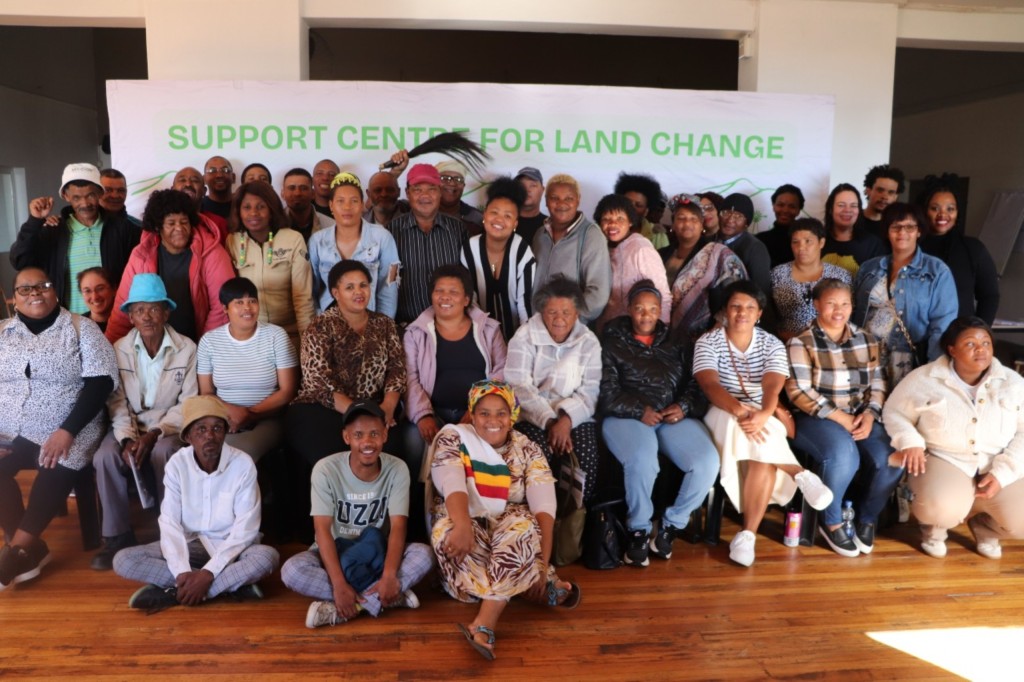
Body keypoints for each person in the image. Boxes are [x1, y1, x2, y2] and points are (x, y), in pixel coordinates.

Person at [430, 381, 580, 661]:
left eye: (501, 413)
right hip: (466, 525)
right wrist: (463, 525)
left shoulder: (528, 449)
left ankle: (484, 622)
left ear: (511, 415)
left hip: (510, 535)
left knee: (521, 527)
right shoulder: (455, 438)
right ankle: (525, 586)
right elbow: (451, 481)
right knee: (447, 532)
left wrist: (544, 564)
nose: (493, 421)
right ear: (472, 415)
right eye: (484, 413)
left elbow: (544, 508)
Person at [693, 281, 833, 567]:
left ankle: (747, 535)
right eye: (735, 307)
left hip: (762, 412)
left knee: (763, 456)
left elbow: (773, 386)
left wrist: (764, 412)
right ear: (725, 311)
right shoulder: (708, 341)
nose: (741, 313)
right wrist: (741, 411)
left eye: (749, 308)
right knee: (736, 426)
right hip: (721, 409)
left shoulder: (771, 343)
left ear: (759, 313)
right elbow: (710, 385)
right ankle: (798, 473)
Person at [0, 267, 118, 590]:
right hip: (13, 429)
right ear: (13, 298)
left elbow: (100, 384)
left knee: (57, 460)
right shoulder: (2, 333)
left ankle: (14, 552)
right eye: (25, 289)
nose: (34, 293)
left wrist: (66, 430)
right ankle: (27, 549)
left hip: (73, 426)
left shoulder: (82, 329)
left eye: (43, 286)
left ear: (55, 291)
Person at [111, 395, 279, 611]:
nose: (210, 435)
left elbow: (245, 530)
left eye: (217, 428)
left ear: (226, 432)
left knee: (267, 558)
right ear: (188, 436)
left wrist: (208, 573)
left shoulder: (243, 464)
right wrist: (181, 570)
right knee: (124, 560)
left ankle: (175, 592)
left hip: (230, 548)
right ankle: (223, 586)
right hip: (190, 546)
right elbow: (170, 522)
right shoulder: (177, 464)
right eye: (201, 429)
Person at [599, 281, 720, 566]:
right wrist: (640, 409)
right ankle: (638, 530)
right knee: (643, 459)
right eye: (639, 309)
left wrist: (684, 406)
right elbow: (606, 391)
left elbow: (695, 383)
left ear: (661, 311)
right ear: (629, 309)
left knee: (706, 463)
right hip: (625, 417)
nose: (646, 315)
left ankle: (671, 525)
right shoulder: (612, 341)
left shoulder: (677, 341)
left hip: (670, 417)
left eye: (653, 309)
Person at [281, 401, 433, 628]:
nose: (367, 442)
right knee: (291, 571)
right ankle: (386, 598)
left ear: (384, 435)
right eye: (358, 435)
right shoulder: (326, 469)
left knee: (425, 554)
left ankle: (342, 608)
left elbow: (399, 526)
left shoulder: (397, 468)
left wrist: (390, 575)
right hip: (335, 552)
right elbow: (321, 530)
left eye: (374, 434)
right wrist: (338, 583)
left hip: (377, 555)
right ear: (346, 437)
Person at [884, 317, 1024, 560]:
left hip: (996, 459)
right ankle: (934, 530)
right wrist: (910, 441)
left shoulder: (1013, 382)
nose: (980, 349)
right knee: (940, 508)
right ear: (952, 350)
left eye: (986, 342)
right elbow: (894, 412)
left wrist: (1003, 473)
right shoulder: (924, 378)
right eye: (970, 344)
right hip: (946, 458)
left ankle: (986, 528)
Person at [786, 278, 900, 557]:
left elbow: (878, 384)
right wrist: (840, 418)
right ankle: (832, 521)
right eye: (831, 303)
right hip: (816, 418)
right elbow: (798, 390)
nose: (839, 310)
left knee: (892, 459)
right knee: (844, 455)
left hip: (862, 416)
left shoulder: (868, 340)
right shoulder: (801, 342)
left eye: (845, 304)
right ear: (816, 305)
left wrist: (871, 415)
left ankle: (865, 518)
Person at [92, 274, 198, 570]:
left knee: (166, 452)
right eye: (139, 310)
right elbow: (116, 401)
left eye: (154, 309)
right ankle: (117, 537)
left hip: (168, 425)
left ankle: (172, 533)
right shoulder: (118, 349)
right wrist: (127, 439)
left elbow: (188, 402)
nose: (147, 316)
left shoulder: (187, 348)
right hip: (128, 424)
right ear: (129, 316)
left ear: (166, 312)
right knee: (105, 457)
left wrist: (154, 433)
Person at [288, 261, 406, 466]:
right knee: (332, 453)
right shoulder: (320, 326)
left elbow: (397, 368)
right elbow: (318, 383)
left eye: (363, 285)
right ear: (336, 293)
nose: (358, 292)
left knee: (393, 448)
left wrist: (387, 406)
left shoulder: (384, 324)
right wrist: (358, 413)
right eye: (349, 287)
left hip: (375, 408)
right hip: (324, 408)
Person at [402, 264, 507, 477]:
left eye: (453, 292)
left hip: (479, 413)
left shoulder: (488, 329)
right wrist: (423, 415)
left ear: (466, 299)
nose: (445, 297)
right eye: (439, 291)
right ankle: (416, 504)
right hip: (434, 413)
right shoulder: (415, 333)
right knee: (412, 441)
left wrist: (480, 410)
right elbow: (409, 378)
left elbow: (503, 371)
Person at [506, 277, 602, 503]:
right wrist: (550, 422)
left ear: (577, 314)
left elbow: (590, 392)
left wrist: (565, 422)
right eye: (552, 312)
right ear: (542, 312)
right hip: (532, 415)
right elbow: (519, 387)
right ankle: (539, 515)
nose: (559, 319)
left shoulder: (589, 342)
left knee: (586, 456)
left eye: (566, 312)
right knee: (538, 454)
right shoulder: (524, 336)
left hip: (574, 416)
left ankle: (571, 521)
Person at [105, 189, 234, 343]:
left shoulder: (212, 253)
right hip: (152, 349)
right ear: (158, 227)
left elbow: (221, 308)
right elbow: (123, 310)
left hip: (198, 345)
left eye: (184, 222)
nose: (179, 228)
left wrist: (206, 350)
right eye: (171, 223)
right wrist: (111, 351)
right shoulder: (141, 256)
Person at [10, 163, 139, 316]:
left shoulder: (123, 229)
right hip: (68, 322)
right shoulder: (53, 230)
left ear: (99, 193)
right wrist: (34, 221)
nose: (85, 203)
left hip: (113, 320)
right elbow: (20, 261)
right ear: (66, 196)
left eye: (90, 195)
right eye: (77, 197)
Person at [853, 202, 958, 386]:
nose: (902, 232)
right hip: (866, 356)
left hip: (908, 360)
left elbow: (942, 326)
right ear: (887, 231)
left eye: (910, 227)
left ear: (919, 231)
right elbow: (853, 314)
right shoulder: (869, 267)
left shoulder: (936, 271)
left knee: (902, 412)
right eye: (896, 227)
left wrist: (934, 369)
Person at [197, 278, 299, 464]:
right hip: (224, 418)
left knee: (240, 453)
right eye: (239, 302)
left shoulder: (276, 336)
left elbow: (287, 391)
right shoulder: (210, 341)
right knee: (202, 450)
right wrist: (232, 413)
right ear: (225, 308)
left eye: (252, 301)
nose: (247, 308)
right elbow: (206, 392)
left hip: (268, 419)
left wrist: (250, 413)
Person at [226, 181, 314, 348]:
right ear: (238, 211)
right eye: (246, 207)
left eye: (261, 207)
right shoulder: (233, 241)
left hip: (290, 334)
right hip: (250, 336)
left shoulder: (293, 239)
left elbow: (303, 297)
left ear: (272, 210)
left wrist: (307, 345)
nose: (253, 213)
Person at [660, 194, 746, 349]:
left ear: (702, 224)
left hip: (706, 343)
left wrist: (714, 334)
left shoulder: (718, 253)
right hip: (662, 341)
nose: (687, 223)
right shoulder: (660, 254)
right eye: (681, 218)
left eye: (694, 219)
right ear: (673, 223)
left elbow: (741, 295)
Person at [308, 172, 400, 316]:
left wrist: (382, 326)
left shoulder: (382, 237)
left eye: (354, 201)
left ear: (362, 204)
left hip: (368, 321)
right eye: (340, 201)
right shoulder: (317, 241)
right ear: (331, 206)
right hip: (328, 323)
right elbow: (311, 290)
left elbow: (388, 288)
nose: (347, 207)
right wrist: (319, 324)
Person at [389, 164, 468, 326]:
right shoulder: (391, 231)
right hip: (405, 327)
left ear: (440, 192)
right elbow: (386, 283)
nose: (425, 195)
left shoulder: (457, 229)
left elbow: (467, 280)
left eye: (431, 189)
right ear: (407, 193)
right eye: (417, 189)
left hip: (449, 327)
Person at [461, 176, 536, 341]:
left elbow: (525, 303)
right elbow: (470, 299)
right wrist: (485, 339)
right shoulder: (469, 248)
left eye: (508, 216)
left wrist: (523, 344)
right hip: (478, 336)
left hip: (517, 336)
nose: (499, 220)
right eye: (494, 212)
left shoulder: (522, 250)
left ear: (515, 223)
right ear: (484, 215)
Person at [918, 173, 1000, 324]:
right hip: (916, 336)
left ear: (957, 212)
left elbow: (989, 296)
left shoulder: (973, 248)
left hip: (959, 335)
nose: (943, 214)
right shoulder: (912, 247)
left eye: (950, 209)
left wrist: (979, 331)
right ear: (924, 211)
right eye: (935, 208)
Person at [531, 173, 611, 324]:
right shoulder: (540, 234)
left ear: (578, 200)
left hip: (571, 329)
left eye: (569, 198)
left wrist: (569, 320)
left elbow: (598, 292)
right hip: (538, 325)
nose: (561, 204)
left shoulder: (590, 234)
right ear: (546, 201)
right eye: (554, 198)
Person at [592, 193, 671, 335]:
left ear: (630, 221)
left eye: (620, 218)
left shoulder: (641, 248)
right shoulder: (602, 248)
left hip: (638, 334)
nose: (612, 224)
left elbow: (663, 295)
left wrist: (660, 335)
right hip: (607, 333)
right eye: (606, 219)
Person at [770, 218, 851, 341]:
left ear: (821, 243)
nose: (801, 247)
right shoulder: (777, 274)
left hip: (830, 345)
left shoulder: (840, 276)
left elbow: (849, 314)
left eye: (808, 241)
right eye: (795, 242)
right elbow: (768, 313)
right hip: (786, 343)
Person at [821, 182, 886, 278]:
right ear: (830, 209)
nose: (847, 210)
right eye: (841, 205)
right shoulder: (816, 240)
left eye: (853, 205)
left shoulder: (873, 244)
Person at [716, 193, 771, 299]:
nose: (730, 220)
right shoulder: (709, 241)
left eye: (738, 216)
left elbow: (761, 291)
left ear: (747, 223)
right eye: (726, 213)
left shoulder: (755, 248)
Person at [171, 165, 228, 242]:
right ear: (172, 189)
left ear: (204, 191)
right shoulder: (161, 222)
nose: (188, 184)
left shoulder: (218, 223)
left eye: (194, 180)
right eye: (182, 180)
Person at [614, 172, 669, 250]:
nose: (631, 208)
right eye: (627, 202)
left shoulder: (658, 235)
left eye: (638, 205)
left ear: (646, 211)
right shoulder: (608, 228)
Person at [280, 167, 334, 243]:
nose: (297, 193)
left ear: (312, 194)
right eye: (291, 188)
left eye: (303, 188)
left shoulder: (331, 226)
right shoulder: (273, 225)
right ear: (283, 194)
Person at [757, 184, 805, 268]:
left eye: (792, 206)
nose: (785, 210)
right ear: (773, 206)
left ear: (798, 210)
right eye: (780, 205)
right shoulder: (759, 241)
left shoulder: (805, 242)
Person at [858, 164, 905, 241]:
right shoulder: (852, 220)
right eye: (880, 190)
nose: (885, 197)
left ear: (896, 196)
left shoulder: (897, 227)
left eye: (891, 192)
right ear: (868, 190)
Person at [437, 160, 484, 233]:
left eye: (458, 179)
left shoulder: (476, 218)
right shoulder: (420, 214)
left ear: (463, 186)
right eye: (445, 178)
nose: (452, 183)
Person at [513, 166, 547, 249]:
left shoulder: (550, 226)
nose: (527, 190)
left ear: (542, 190)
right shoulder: (505, 223)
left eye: (533, 185)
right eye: (521, 185)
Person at [77, 266, 115, 332]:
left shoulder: (128, 323)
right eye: (87, 291)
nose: (94, 297)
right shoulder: (76, 327)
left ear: (114, 290)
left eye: (100, 289)